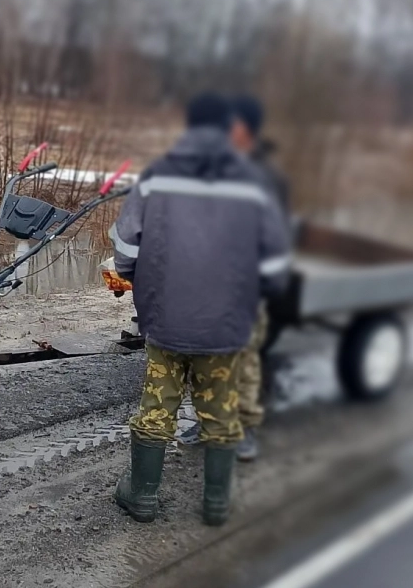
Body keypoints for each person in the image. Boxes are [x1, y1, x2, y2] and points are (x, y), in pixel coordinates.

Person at [110, 92, 291, 527]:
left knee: (157, 408)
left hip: (166, 322)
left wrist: (138, 280)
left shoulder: (157, 176)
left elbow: (125, 245)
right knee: (221, 411)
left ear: (188, 126)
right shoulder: (251, 180)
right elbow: (274, 261)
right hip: (226, 327)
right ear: (228, 126)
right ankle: (215, 505)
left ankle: (143, 499)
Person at [228, 95, 291, 462]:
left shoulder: (267, 177)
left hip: (248, 282)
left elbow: (276, 236)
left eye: (230, 126)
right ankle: (211, 420)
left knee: (247, 358)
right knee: (212, 358)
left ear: (246, 130)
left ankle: (246, 428)